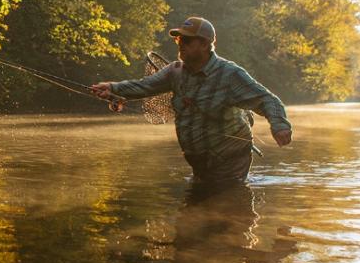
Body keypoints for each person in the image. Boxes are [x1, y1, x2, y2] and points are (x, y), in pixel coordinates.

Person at [90, 17, 293, 182]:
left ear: (205, 44)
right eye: (179, 40)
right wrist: (112, 88)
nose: (181, 45)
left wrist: (279, 125)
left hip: (230, 160)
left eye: (187, 41)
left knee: (227, 216)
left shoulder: (229, 74)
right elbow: (143, 86)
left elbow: (267, 100)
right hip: (199, 162)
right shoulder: (175, 72)